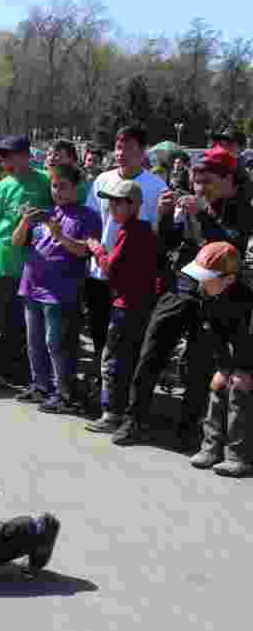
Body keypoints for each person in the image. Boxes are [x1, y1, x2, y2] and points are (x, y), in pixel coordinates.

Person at [113, 146, 252, 446]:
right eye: (196, 182)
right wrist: (165, 216)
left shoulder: (241, 209)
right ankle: (134, 420)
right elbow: (166, 243)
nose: (199, 188)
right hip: (180, 286)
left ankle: (188, 431)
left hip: (215, 295)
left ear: (227, 181)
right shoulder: (189, 202)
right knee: (150, 352)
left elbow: (231, 250)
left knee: (199, 366)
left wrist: (201, 213)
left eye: (207, 182)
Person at [83, 125, 167, 396]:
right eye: (118, 147)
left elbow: (158, 232)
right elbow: (92, 221)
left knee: (126, 341)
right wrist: (95, 249)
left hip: (132, 282)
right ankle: (103, 389)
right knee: (99, 334)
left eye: (128, 148)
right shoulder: (101, 181)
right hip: (100, 273)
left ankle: (121, 396)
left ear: (142, 152)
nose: (121, 153)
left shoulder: (156, 186)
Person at [12, 164, 102, 413]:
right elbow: (17, 242)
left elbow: (85, 250)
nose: (58, 191)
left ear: (76, 188)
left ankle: (65, 393)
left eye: (63, 186)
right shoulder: (46, 212)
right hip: (31, 286)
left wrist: (60, 235)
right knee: (35, 341)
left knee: (57, 344)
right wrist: (25, 221)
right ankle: (40, 385)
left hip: (60, 291)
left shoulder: (87, 216)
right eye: (54, 186)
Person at [81, 179, 159, 433]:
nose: (111, 207)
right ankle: (123, 412)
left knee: (113, 360)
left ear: (133, 204)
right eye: (110, 201)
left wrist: (97, 250)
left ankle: (112, 413)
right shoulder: (141, 230)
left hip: (127, 306)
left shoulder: (132, 231)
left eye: (117, 202)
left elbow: (110, 267)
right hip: (139, 305)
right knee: (125, 360)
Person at [0, 135, 53, 392]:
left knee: (30, 324)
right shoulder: (2, 185)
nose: (4, 160)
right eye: (3, 155)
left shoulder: (45, 180)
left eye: (9, 154)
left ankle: (28, 375)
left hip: (33, 264)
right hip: (4, 262)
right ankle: (0, 372)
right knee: (2, 321)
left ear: (24, 155)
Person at [181, 243, 253, 477]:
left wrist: (242, 369)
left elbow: (247, 338)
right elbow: (214, 333)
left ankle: (239, 456)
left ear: (229, 279)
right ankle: (211, 448)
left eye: (207, 278)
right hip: (234, 351)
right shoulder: (208, 296)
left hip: (249, 352)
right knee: (218, 384)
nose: (201, 282)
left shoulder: (247, 299)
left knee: (239, 388)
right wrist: (223, 365)